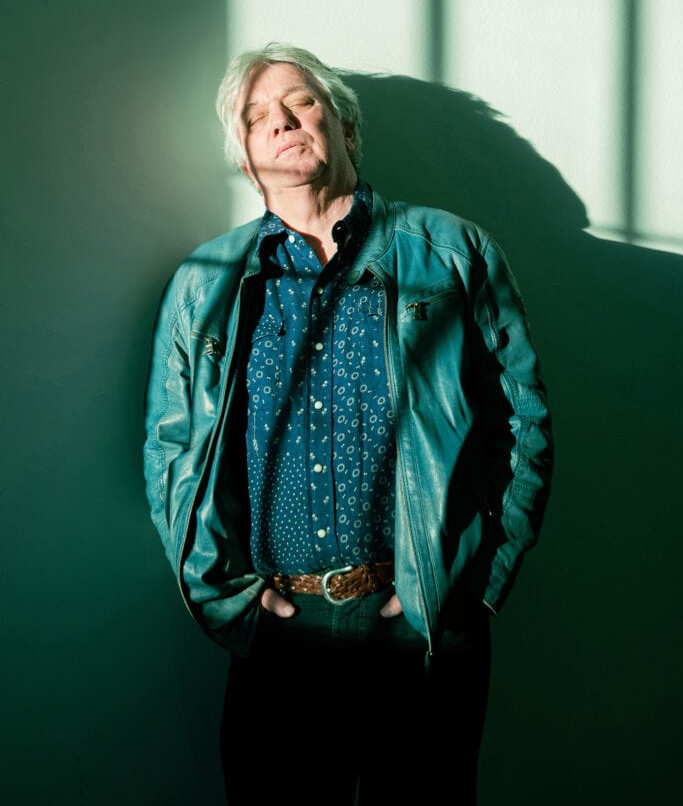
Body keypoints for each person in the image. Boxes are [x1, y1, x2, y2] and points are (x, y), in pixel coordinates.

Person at [143, 42, 553, 805]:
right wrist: (223, 598)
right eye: (256, 117)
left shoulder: (451, 253)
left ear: (346, 129)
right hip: (278, 632)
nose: (281, 121)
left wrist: (476, 588)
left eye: (301, 102)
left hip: (422, 626)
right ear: (245, 161)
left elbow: (521, 425)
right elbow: (172, 449)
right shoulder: (204, 283)